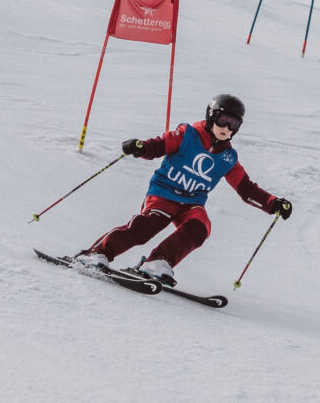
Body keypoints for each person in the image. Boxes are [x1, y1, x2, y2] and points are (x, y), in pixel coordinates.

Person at [75, 94, 292, 285]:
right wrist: (141, 147)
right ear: (211, 116)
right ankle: (96, 254)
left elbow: (246, 189)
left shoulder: (228, 157)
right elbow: (158, 145)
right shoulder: (187, 135)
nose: (227, 128)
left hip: (191, 203)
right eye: (223, 120)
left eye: (233, 124)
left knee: (200, 228)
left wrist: (273, 204)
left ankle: (157, 262)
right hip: (163, 194)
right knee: (147, 226)